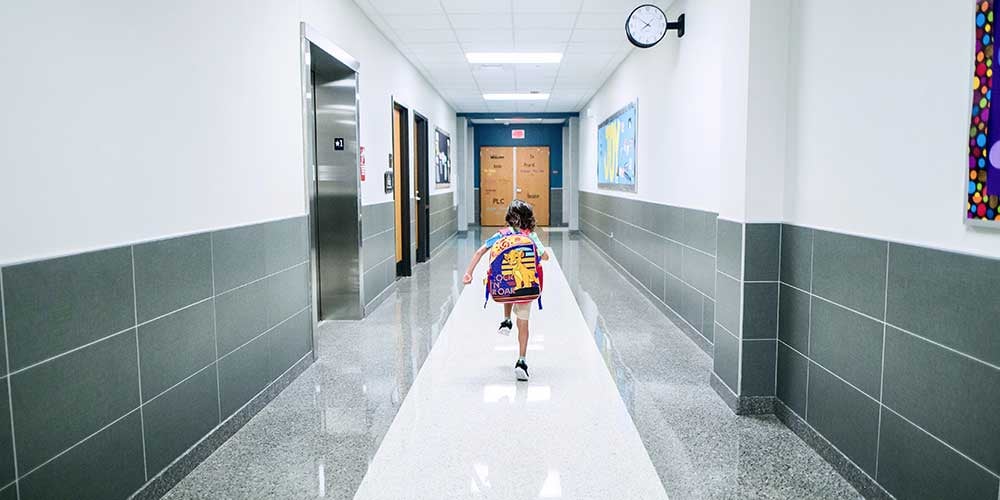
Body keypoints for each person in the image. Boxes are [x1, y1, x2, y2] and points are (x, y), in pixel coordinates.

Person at [462, 200, 550, 381]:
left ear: (509, 218)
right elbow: (545, 257)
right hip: (526, 287)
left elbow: (480, 252)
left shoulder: (501, 235)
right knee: (524, 322)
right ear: (529, 219)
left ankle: (506, 319)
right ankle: (522, 361)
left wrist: (468, 273)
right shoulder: (531, 236)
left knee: (508, 286)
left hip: (505, 286)